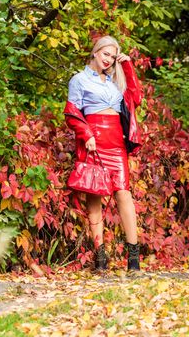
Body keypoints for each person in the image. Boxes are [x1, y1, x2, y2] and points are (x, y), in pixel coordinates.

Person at [64, 35, 143, 271]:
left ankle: (134, 260)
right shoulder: (78, 80)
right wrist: (86, 134)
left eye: (112, 56)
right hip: (94, 142)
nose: (108, 59)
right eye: (105, 54)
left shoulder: (113, 82)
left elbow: (135, 98)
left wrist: (127, 66)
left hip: (116, 144)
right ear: (96, 52)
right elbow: (71, 112)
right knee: (94, 197)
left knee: (123, 195)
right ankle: (100, 259)